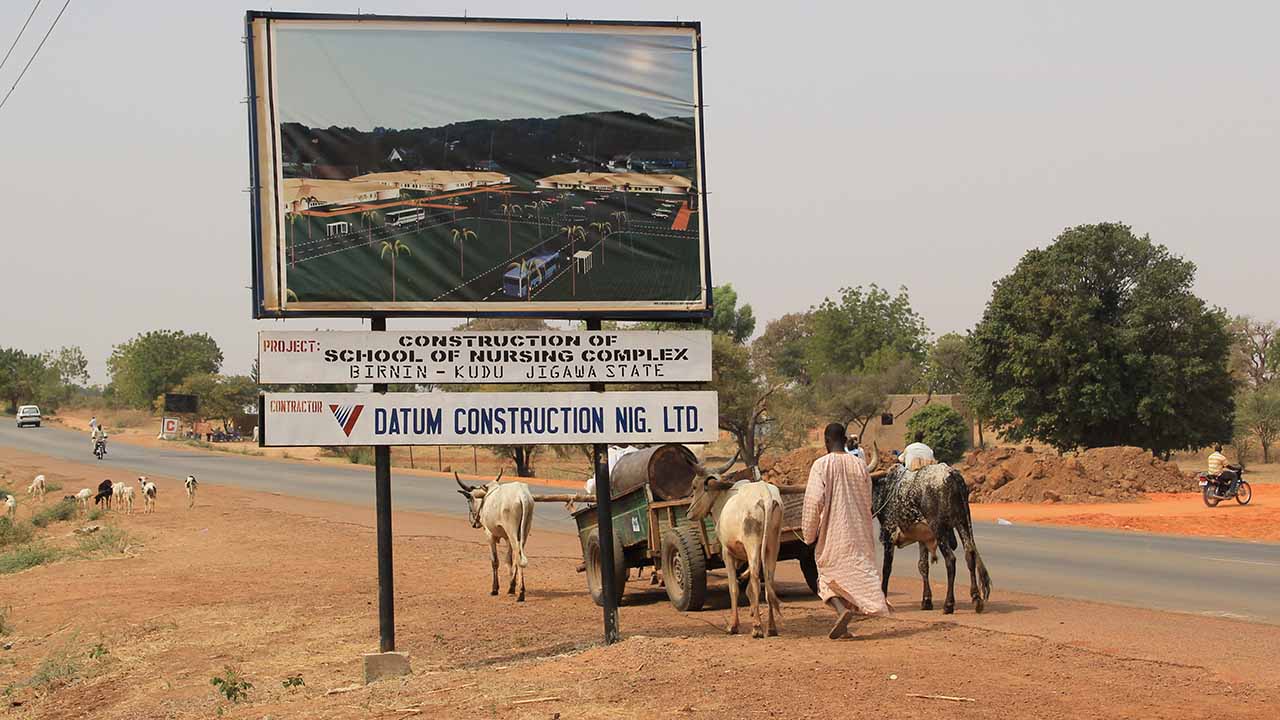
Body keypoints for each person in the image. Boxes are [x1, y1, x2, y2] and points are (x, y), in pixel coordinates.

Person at [802, 423, 891, 639]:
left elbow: (814, 502)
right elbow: (868, 499)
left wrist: (809, 534)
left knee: (826, 576)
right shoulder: (860, 465)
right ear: (844, 439)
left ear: (826, 441)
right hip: (859, 531)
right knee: (856, 571)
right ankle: (847, 625)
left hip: (834, 533)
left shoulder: (821, 465)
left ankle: (842, 612)